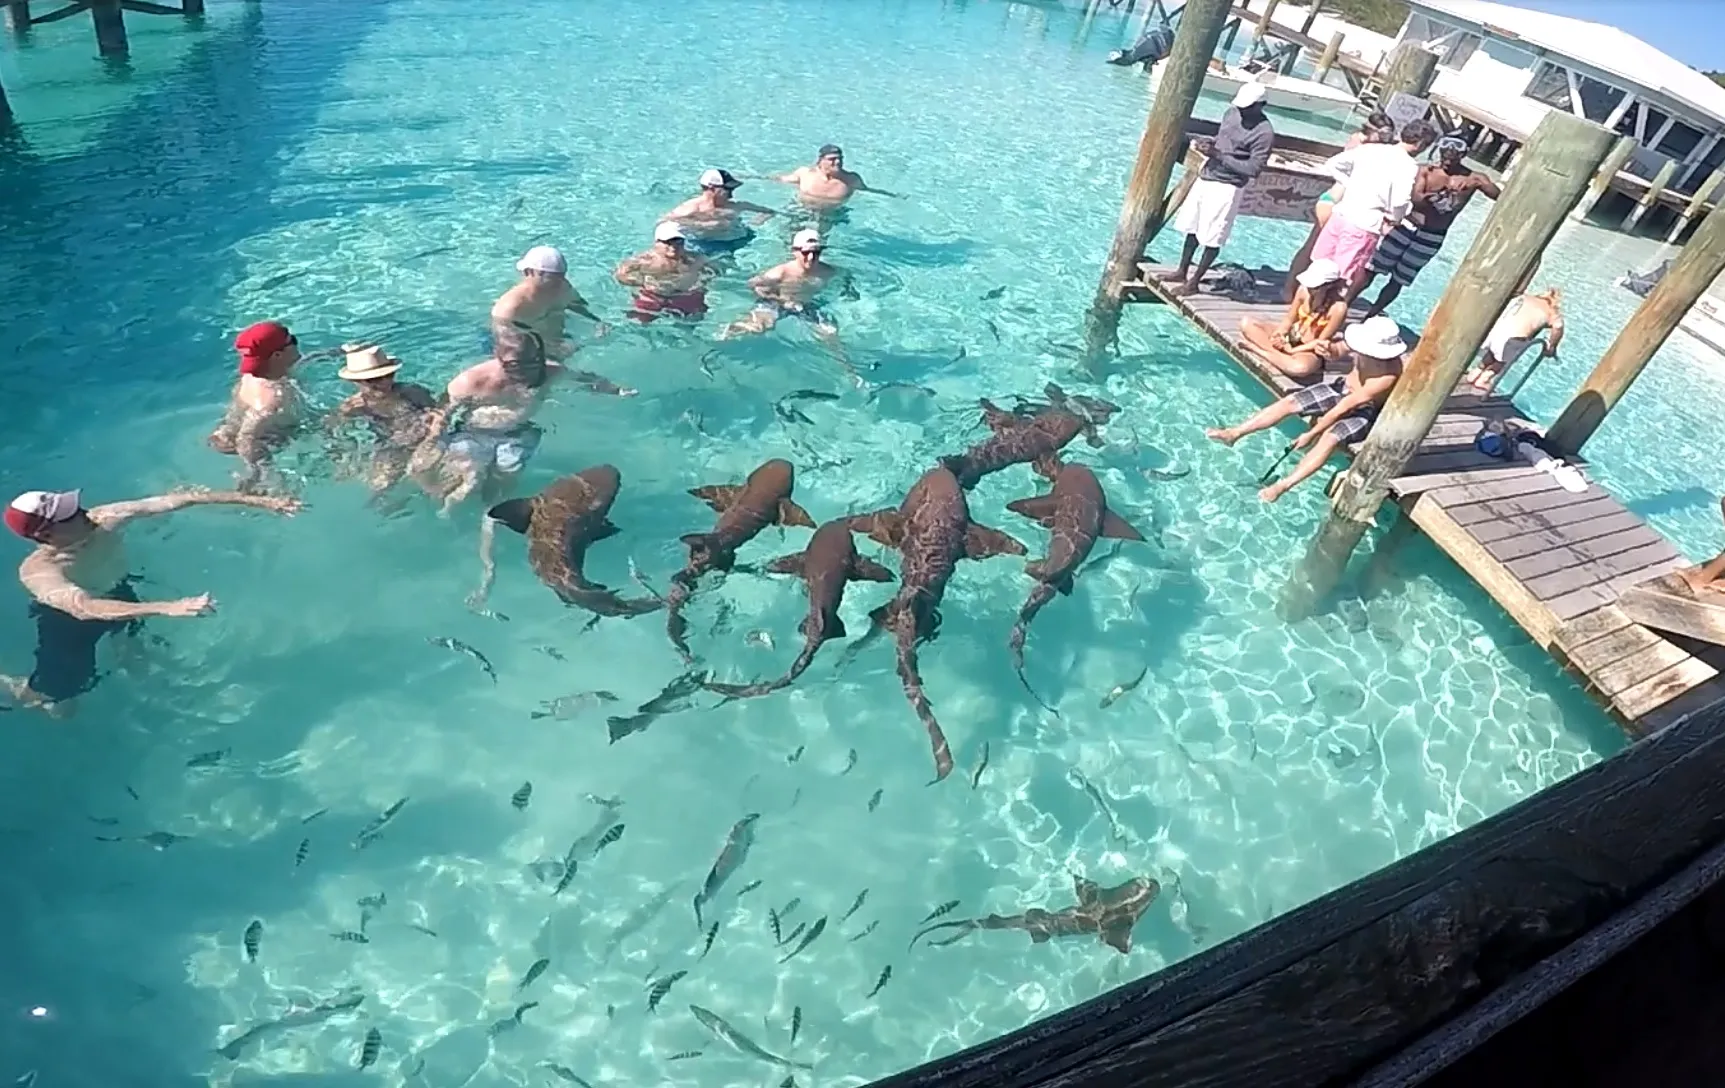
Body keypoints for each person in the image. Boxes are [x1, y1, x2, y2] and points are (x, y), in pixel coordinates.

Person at [1, 487, 299, 714]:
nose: (83, 511)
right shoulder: (41, 571)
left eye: (75, 505)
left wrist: (261, 501)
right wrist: (166, 607)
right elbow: (85, 608)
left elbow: (180, 499)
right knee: (57, 701)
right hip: (68, 624)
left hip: (118, 593)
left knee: (136, 662)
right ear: (47, 533)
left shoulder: (105, 519)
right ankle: (13, 687)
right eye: (70, 514)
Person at [1207, 315, 1408, 503]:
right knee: (1291, 401)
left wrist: (1310, 434)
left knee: (1329, 438)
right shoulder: (1361, 346)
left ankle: (1283, 485)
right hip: (1342, 389)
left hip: (1365, 409)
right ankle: (1235, 433)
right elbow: (1338, 351)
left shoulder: (1387, 375)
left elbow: (1344, 407)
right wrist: (1328, 350)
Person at [1355, 134, 1501, 319]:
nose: (1446, 161)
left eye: (1452, 157)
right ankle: (1345, 303)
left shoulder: (1474, 178)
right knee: (1373, 269)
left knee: (1399, 280)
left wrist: (1477, 183)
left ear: (1463, 154)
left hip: (1432, 235)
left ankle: (1370, 315)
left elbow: (1499, 195)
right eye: (1444, 155)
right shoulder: (1426, 170)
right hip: (1407, 226)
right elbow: (1416, 200)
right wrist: (1442, 194)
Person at [1160, 83, 1274, 297]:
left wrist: (1219, 156)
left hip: (1228, 186)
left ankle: (1195, 282)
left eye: (1248, 107)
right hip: (1208, 175)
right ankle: (1182, 270)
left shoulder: (1264, 133)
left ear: (1261, 105)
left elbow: (1253, 169)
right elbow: (1223, 142)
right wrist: (1209, 145)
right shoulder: (1231, 113)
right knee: (1192, 226)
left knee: (1213, 236)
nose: (1242, 111)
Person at [1310, 119, 1439, 291]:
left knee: (1317, 269)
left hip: (1341, 215)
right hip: (1364, 225)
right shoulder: (1408, 165)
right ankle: (1323, 315)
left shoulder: (1371, 148)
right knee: (1341, 279)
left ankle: (1299, 311)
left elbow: (1333, 164)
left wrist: (1351, 184)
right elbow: (1400, 201)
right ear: (1421, 143)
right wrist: (1395, 218)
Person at [719, 228, 860, 383]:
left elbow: (846, 275)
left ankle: (850, 374)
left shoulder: (827, 271)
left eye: (816, 252)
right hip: (776, 303)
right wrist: (779, 300)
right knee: (761, 327)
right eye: (806, 253)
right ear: (795, 252)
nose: (811, 257)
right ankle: (727, 334)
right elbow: (753, 285)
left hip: (805, 306)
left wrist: (849, 290)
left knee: (830, 333)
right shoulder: (781, 272)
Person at [1284, 111, 1394, 301]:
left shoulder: (1368, 145)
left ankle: (1297, 292)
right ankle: (1292, 291)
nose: (1388, 139)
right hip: (1337, 201)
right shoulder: (1362, 144)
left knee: (1318, 251)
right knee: (1315, 251)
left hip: (1339, 202)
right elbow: (1337, 167)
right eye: (1385, 134)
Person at [325, 344, 441, 499]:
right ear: (356, 382)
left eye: (389, 375)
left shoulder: (411, 392)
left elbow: (439, 415)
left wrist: (431, 434)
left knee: (429, 480)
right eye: (375, 379)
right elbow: (331, 429)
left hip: (425, 439)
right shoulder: (355, 406)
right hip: (391, 446)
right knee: (380, 487)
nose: (384, 383)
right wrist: (342, 458)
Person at [208, 321, 304, 492]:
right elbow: (247, 438)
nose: (297, 345)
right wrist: (260, 473)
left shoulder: (253, 376)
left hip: (230, 430)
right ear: (277, 355)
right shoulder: (272, 399)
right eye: (293, 341)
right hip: (266, 440)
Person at [1238, 257, 1349, 381]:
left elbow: (1321, 341)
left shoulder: (1338, 308)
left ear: (1330, 286)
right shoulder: (1303, 290)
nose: (1310, 289)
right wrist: (1279, 335)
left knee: (1300, 368)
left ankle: (1259, 351)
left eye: (1315, 287)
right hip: (1291, 335)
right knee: (1247, 323)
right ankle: (1279, 356)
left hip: (1308, 349)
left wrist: (1293, 350)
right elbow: (1288, 320)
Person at [491, 246, 608, 361]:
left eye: (560, 277)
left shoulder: (563, 287)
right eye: (551, 278)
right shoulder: (510, 308)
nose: (559, 282)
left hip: (560, 346)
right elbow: (508, 347)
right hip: (533, 358)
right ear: (528, 272)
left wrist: (597, 322)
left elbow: (579, 306)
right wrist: (550, 349)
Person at [1461, 288, 1564, 393]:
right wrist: (1552, 346)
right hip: (1513, 337)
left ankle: (1474, 374)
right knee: (1505, 361)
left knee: (1492, 353)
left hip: (1496, 331)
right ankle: (1483, 379)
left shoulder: (1526, 298)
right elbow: (1558, 327)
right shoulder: (1551, 312)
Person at [661, 169, 777, 258]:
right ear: (712, 188)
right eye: (727, 190)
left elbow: (770, 211)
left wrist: (759, 220)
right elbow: (664, 220)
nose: (731, 194)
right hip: (707, 244)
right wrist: (702, 225)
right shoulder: (692, 208)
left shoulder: (736, 206)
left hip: (740, 239)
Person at [615, 222, 715, 324]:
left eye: (678, 241)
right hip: (654, 297)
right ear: (657, 243)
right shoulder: (646, 260)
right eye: (668, 242)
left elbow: (715, 271)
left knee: (692, 327)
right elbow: (621, 274)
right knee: (635, 324)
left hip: (686, 296)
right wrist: (639, 283)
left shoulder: (696, 259)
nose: (673, 246)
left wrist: (703, 284)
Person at [758, 145, 900, 209]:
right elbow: (778, 179)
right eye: (832, 159)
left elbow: (868, 191)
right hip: (799, 209)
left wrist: (894, 196)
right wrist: (750, 176)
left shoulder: (851, 179)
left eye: (840, 158)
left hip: (831, 216)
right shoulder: (805, 173)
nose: (837, 162)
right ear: (821, 160)